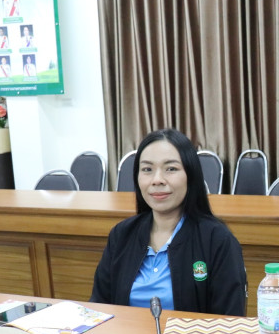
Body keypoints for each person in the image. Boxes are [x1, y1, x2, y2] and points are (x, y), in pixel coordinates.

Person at [90, 128, 247, 315]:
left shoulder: (217, 240)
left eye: (171, 169)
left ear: (191, 175)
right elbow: (99, 308)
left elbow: (230, 319)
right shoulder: (122, 234)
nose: (157, 180)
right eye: (147, 169)